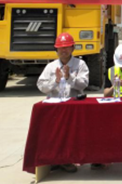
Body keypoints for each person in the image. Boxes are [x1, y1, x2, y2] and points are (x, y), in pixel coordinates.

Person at [36, 32, 90, 173]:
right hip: (55, 106)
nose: (63, 51)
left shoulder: (80, 64)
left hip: (74, 106)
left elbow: (84, 84)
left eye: (66, 47)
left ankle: (68, 159)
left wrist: (69, 77)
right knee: (54, 134)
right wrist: (56, 81)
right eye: (60, 48)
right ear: (56, 49)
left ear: (73, 48)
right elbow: (41, 85)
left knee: (72, 134)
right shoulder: (51, 67)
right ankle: (56, 159)